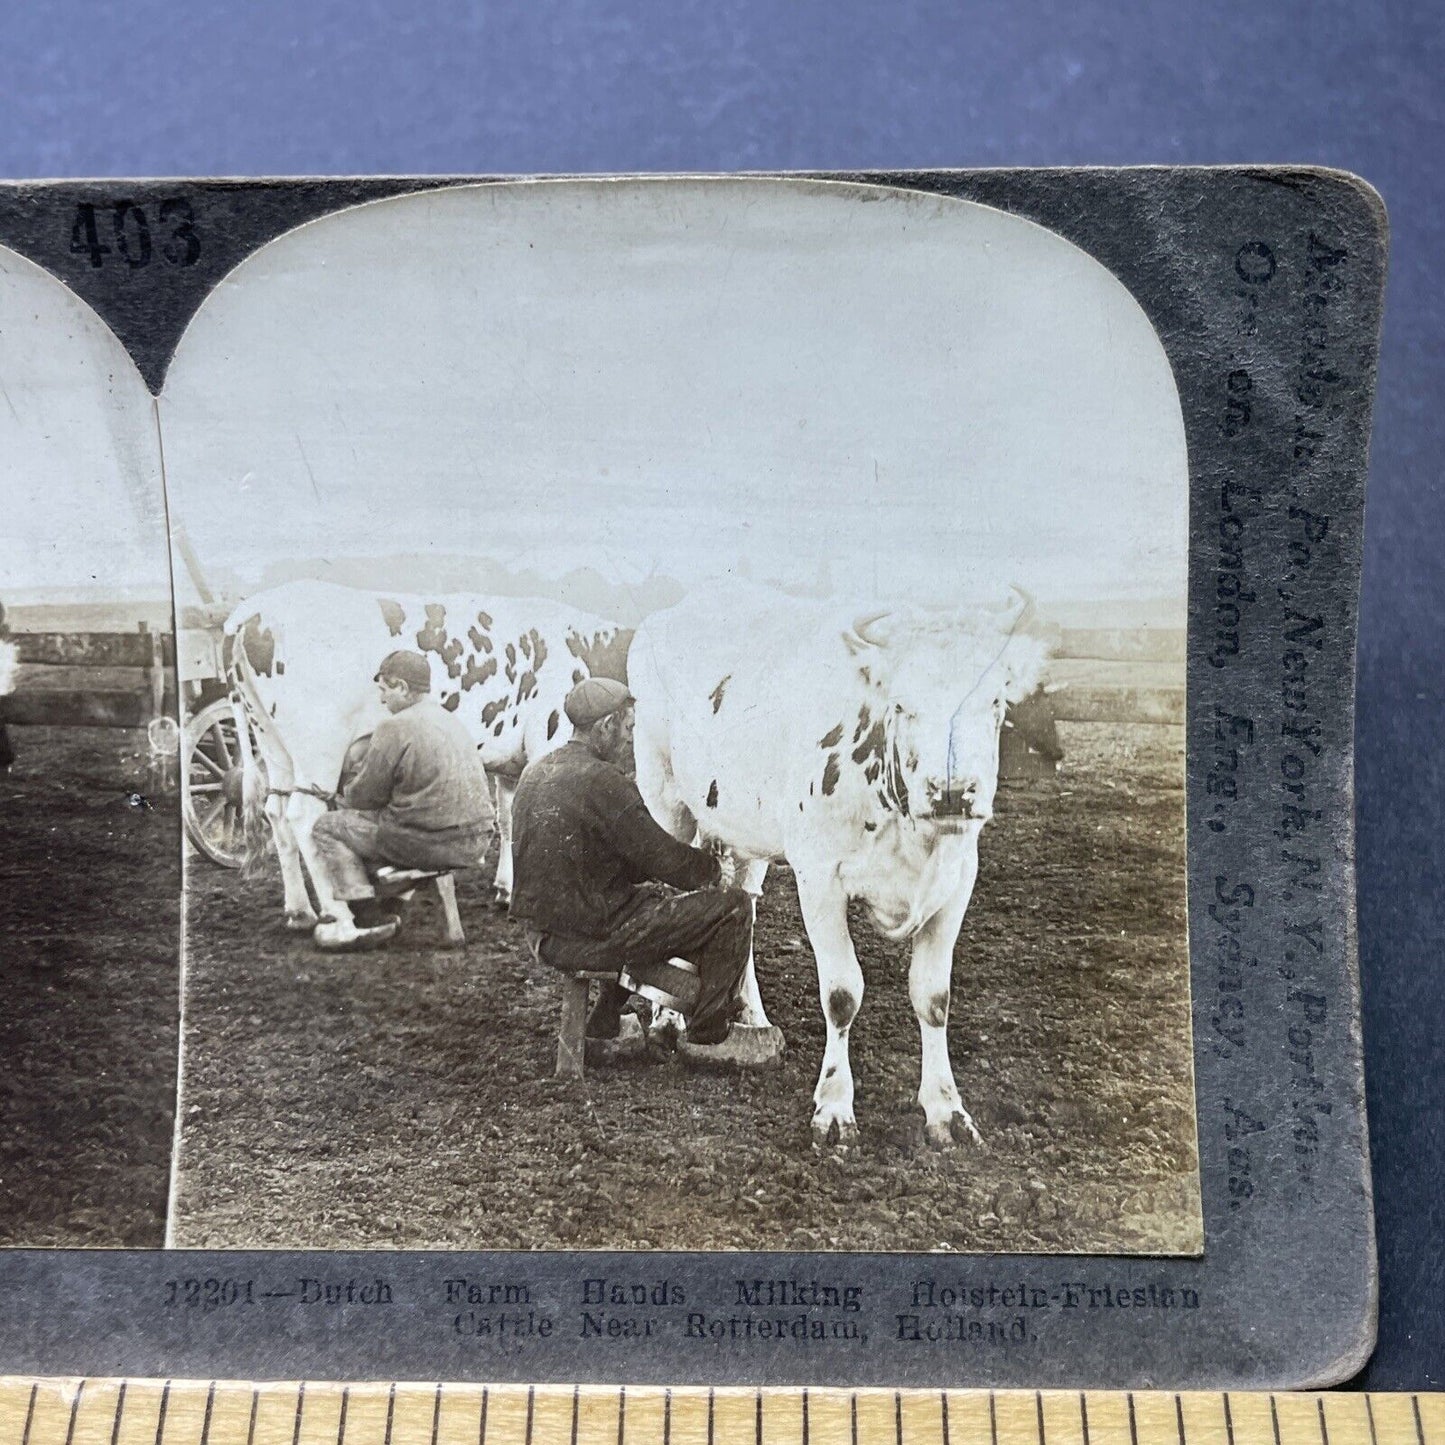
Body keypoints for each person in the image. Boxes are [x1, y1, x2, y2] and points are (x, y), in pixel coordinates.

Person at [509, 676, 753, 1057]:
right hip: (588, 939)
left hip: (543, 934)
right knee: (734, 907)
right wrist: (713, 869)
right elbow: (662, 858)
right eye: (628, 728)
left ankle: (604, 1024)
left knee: (639, 903)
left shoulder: (535, 771)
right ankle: (710, 1035)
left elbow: (605, 860)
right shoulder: (604, 781)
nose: (629, 739)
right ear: (606, 726)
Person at [311, 649, 495, 951]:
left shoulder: (392, 727)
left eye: (384, 690)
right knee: (391, 821)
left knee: (328, 827)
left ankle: (367, 919)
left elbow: (365, 797)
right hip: (476, 840)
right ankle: (393, 903)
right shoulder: (453, 721)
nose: (382, 700)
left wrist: (340, 792)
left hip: (426, 844)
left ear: (403, 688)